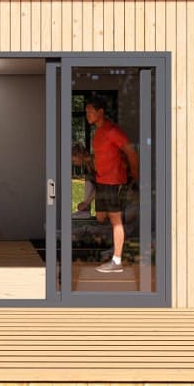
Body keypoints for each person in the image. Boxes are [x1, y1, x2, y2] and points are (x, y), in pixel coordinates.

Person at [84, 96, 139, 272]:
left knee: (115, 221)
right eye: (86, 112)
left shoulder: (112, 130)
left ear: (101, 112)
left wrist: (134, 174)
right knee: (101, 217)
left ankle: (117, 260)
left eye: (90, 111)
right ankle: (120, 234)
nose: (87, 115)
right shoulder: (98, 132)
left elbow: (131, 152)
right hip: (102, 181)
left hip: (114, 182)